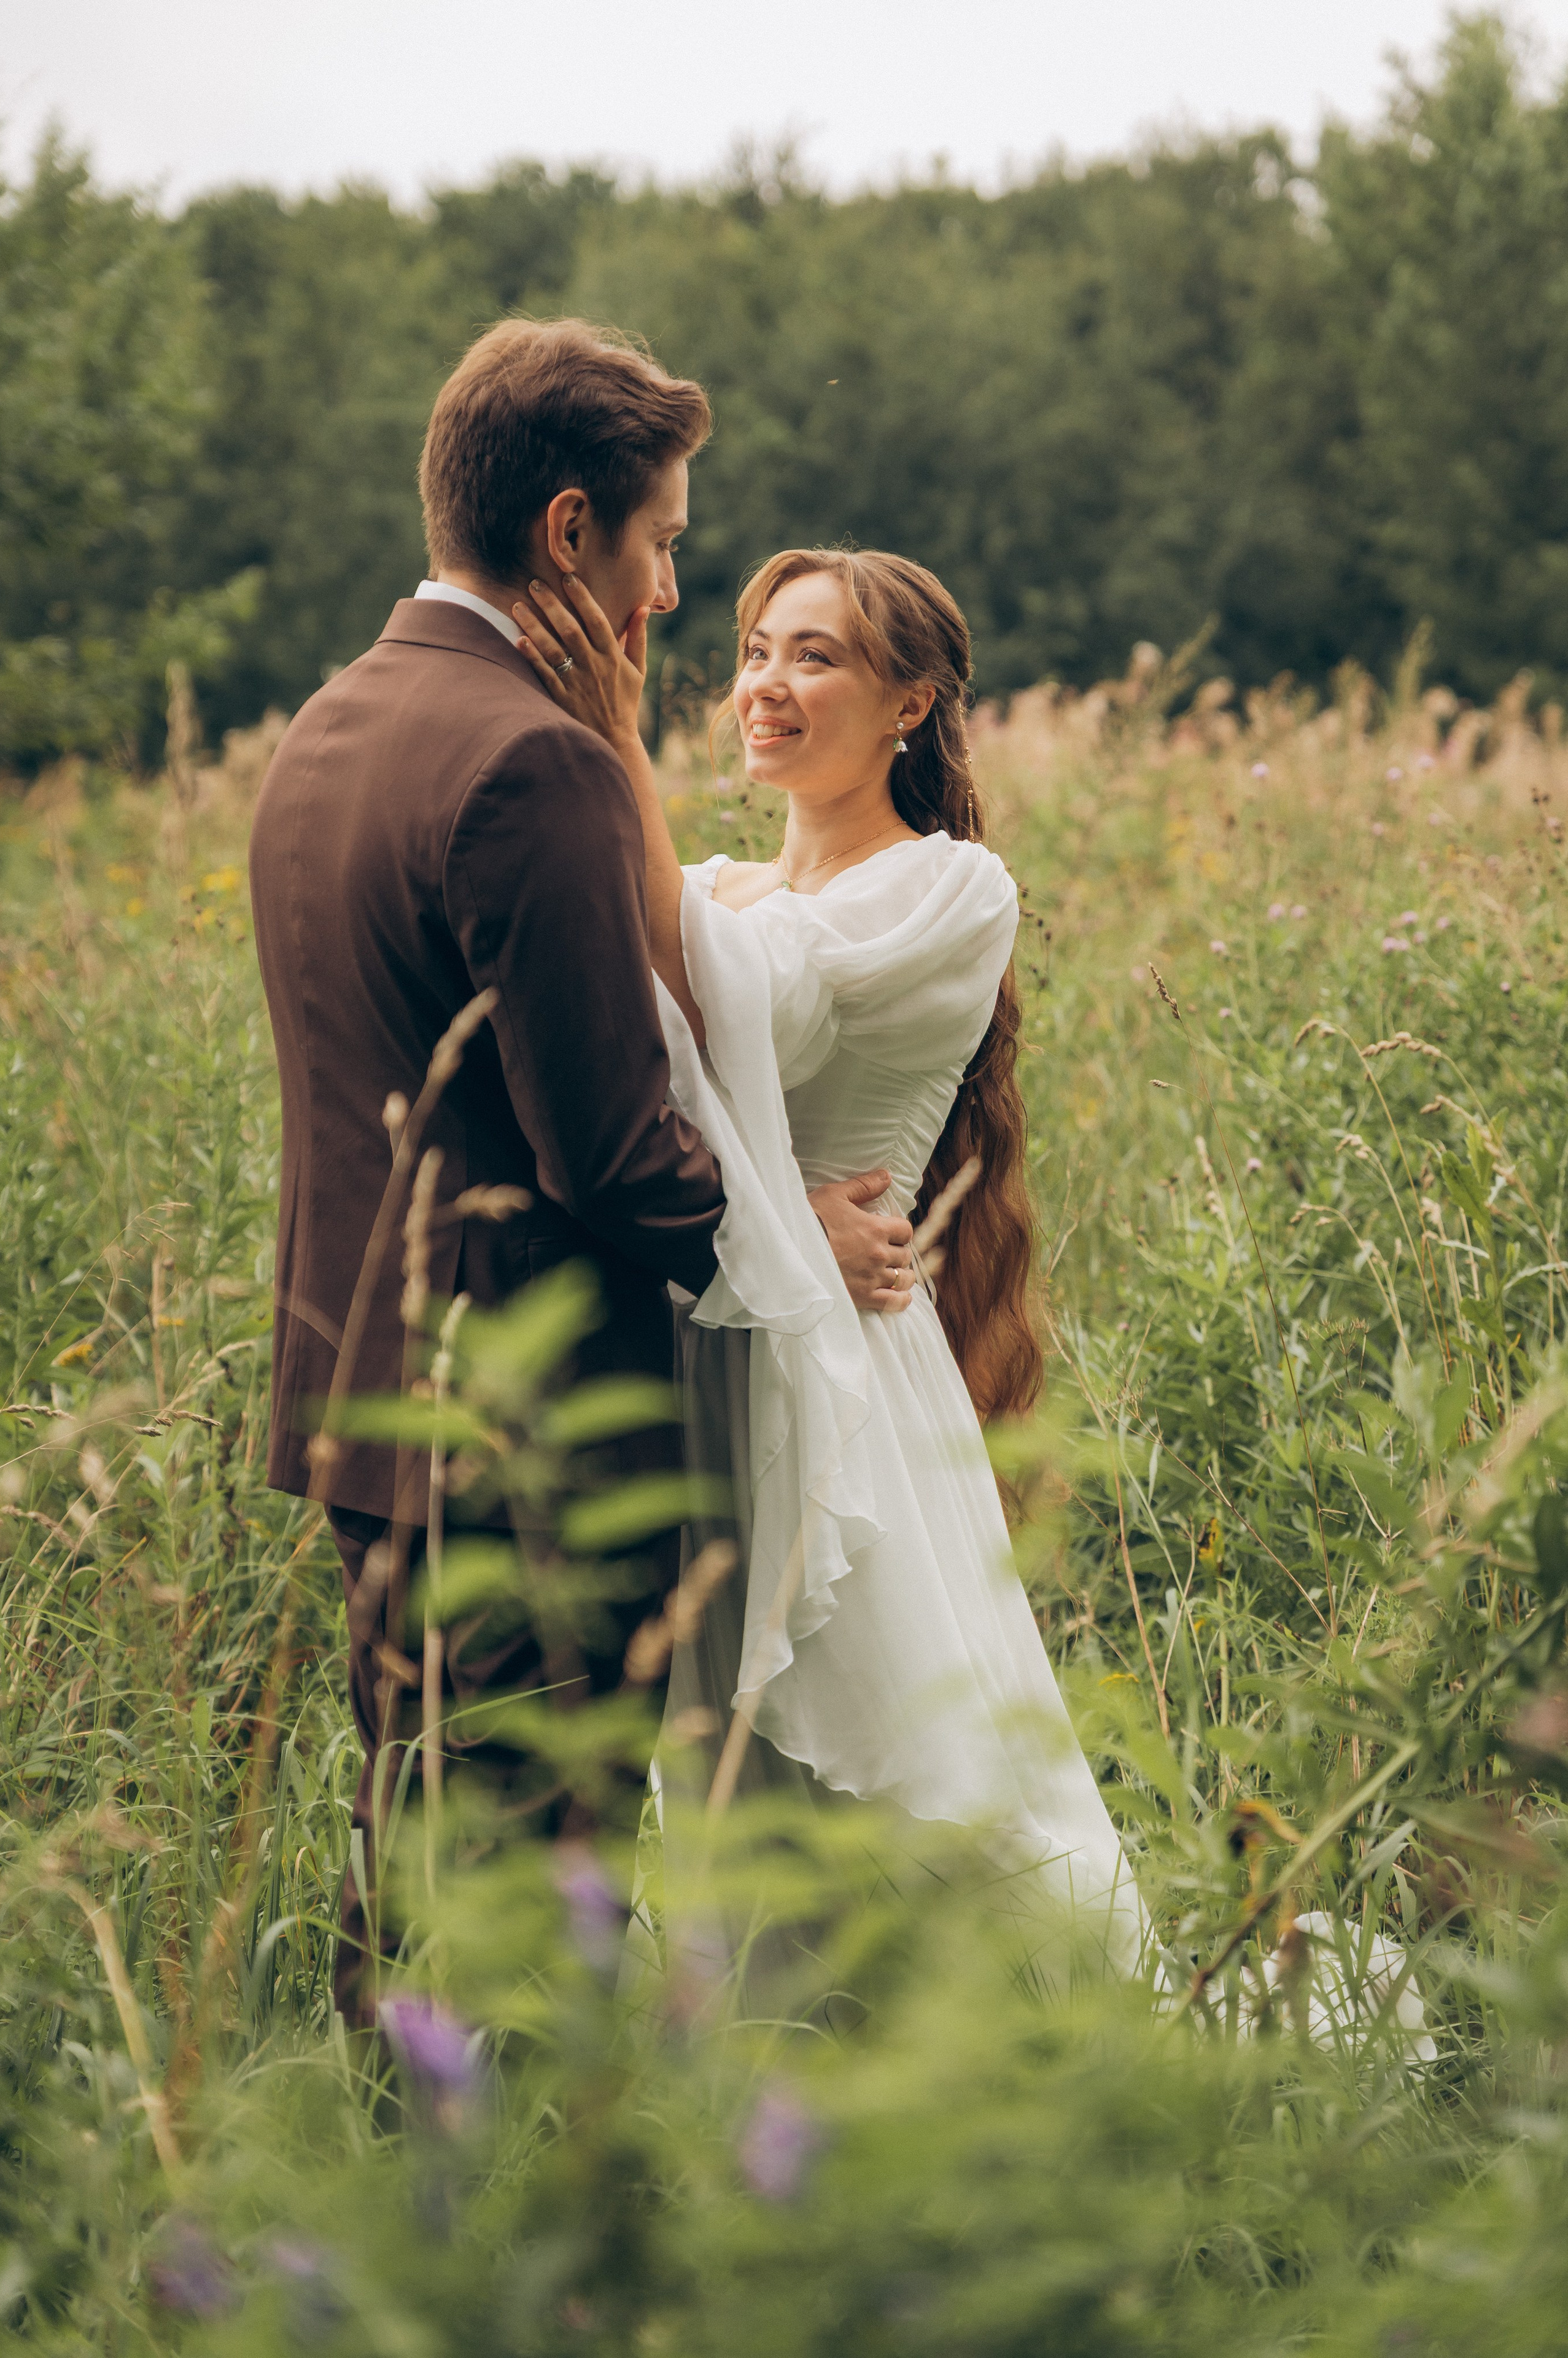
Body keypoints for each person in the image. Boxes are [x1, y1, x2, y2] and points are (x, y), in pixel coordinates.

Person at [247, 322, 914, 2023]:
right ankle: (501, 2255)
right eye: (665, 541)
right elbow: (616, 1159)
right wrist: (793, 1235)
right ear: (568, 533)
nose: (671, 589)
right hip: (535, 1432)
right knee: (539, 1880)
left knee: (416, 1847)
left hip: (369, 1401)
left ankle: (390, 2235)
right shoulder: (531, 758)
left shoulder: (331, 726)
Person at [511, 546, 1146, 1993]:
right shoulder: (719, 886)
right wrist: (788, 1201)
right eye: (750, 650)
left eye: (813, 657)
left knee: (906, 1750)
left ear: (909, 702)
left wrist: (609, 737)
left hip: (843, 1367)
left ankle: (1025, 2052)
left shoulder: (947, 890)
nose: (763, 684)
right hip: (709, 1343)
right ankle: (779, 2090)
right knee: (729, 1775)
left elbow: (748, 1007)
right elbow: (637, 1077)